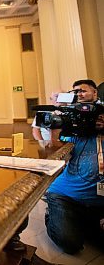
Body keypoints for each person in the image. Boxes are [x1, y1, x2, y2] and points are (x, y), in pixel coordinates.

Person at [44, 109, 104, 254]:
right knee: (70, 243)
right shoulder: (79, 136)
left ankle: (85, 222)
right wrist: (55, 125)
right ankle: (51, 215)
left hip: (99, 202)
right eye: (97, 118)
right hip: (66, 196)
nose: (99, 121)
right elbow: (53, 146)